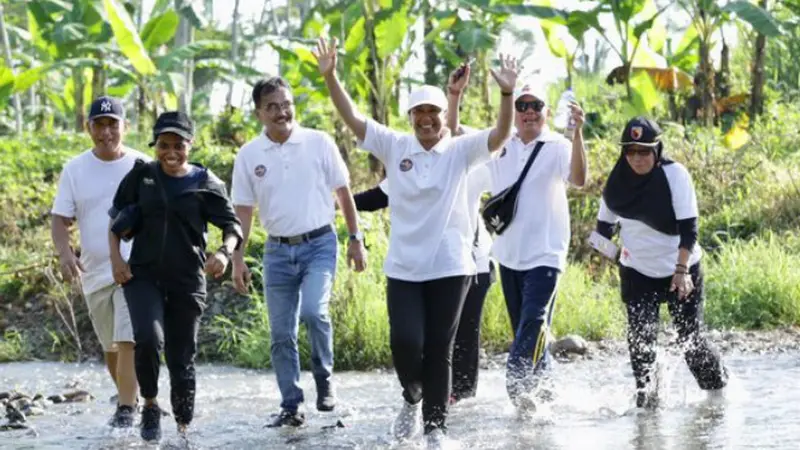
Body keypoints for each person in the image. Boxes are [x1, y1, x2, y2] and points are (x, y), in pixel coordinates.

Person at [313, 36, 517, 447]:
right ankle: (411, 396)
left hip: (450, 265)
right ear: (410, 116)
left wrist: (508, 93)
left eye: (433, 113)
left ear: (444, 115)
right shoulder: (395, 145)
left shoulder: (460, 150)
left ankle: (436, 429)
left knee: (440, 347)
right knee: (406, 343)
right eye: (419, 113)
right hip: (404, 267)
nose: (426, 120)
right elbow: (352, 118)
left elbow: (499, 135)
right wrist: (331, 75)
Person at [230, 76, 367, 428]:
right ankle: (291, 404)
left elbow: (343, 192)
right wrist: (238, 257)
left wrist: (355, 238)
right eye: (272, 107)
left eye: (286, 104)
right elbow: (243, 211)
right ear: (259, 113)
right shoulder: (249, 155)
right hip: (276, 252)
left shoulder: (319, 142)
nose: (281, 112)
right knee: (280, 334)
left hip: (319, 244)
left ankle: (324, 380)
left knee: (313, 311)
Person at [108, 111, 243, 442]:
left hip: (187, 280)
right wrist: (116, 260)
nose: (171, 152)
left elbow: (233, 226)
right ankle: (151, 405)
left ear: (190, 144)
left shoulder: (206, 182)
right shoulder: (142, 176)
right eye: (164, 145)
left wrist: (224, 253)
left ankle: (183, 429)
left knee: (182, 359)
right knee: (148, 338)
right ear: (155, 145)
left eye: (178, 145)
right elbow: (115, 222)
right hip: (143, 277)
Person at [467, 79, 588, 412]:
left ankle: (517, 386)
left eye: (536, 106)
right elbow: (457, 139)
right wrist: (454, 97)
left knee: (533, 322)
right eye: (522, 106)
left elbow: (578, 179)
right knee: (528, 327)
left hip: (546, 254)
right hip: (508, 255)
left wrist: (577, 134)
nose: (529, 112)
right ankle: (545, 393)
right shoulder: (500, 145)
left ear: (547, 113)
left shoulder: (557, 146)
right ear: (513, 112)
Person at [595, 117, 728, 408]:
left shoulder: (674, 175)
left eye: (644, 151)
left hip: (681, 269)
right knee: (640, 340)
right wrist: (618, 256)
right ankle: (647, 402)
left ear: (657, 151)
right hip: (639, 273)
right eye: (631, 151)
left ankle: (719, 396)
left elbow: (690, 229)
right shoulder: (616, 183)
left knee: (689, 340)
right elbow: (599, 235)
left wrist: (682, 271)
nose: (637, 158)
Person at [351, 164, 495, 405]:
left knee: (463, 334)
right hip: (422, 266)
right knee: (421, 337)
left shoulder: (466, 155)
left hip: (472, 261)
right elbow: (377, 197)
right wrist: (335, 200)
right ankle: (423, 390)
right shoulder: (411, 162)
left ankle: (459, 397)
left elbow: (503, 169)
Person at [50, 96, 148, 428]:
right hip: (93, 272)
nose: (106, 132)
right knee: (111, 347)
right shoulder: (75, 169)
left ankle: (125, 409)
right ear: (88, 127)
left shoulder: (142, 165)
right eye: (99, 124)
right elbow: (60, 219)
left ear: (125, 127)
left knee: (128, 337)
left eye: (113, 124)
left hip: (134, 269)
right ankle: (130, 397)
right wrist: (66, 256)